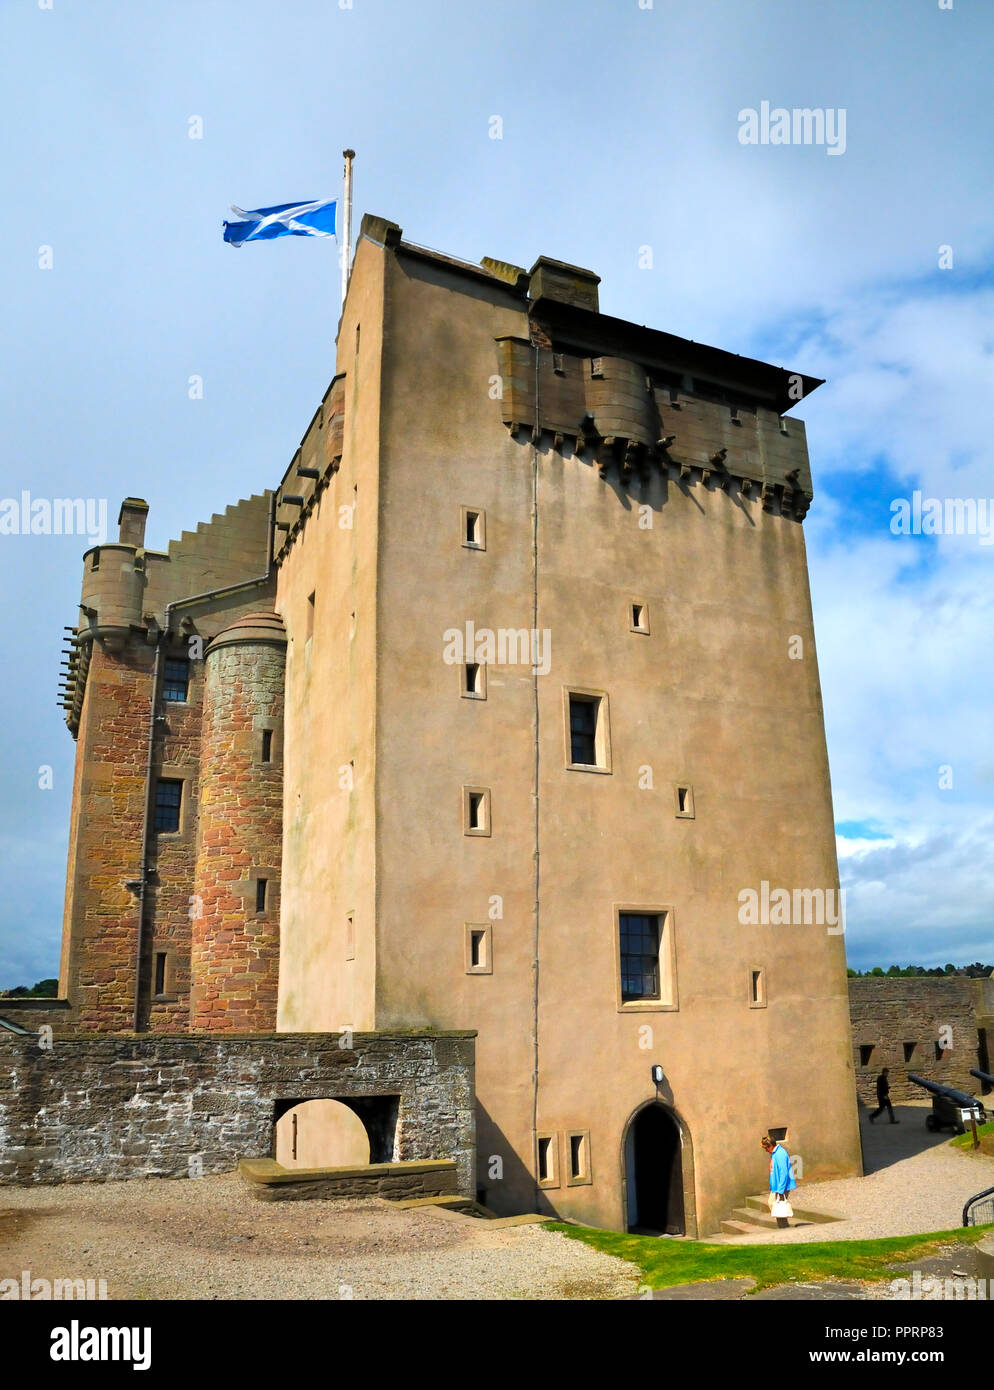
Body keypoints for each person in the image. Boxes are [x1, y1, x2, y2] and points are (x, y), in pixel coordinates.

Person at [761, 1135, 797, 1228]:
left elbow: (783, 1173)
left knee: (777, 1206)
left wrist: (780, 1190)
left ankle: (784, 1228)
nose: (766, 1151)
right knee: (776, 1206)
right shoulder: (775, 1153)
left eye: (766, 1148)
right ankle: (784, 1227)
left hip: (781, 1187)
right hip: (777, 1186)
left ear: (770, 1146)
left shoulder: (780, 1154)